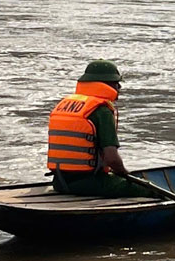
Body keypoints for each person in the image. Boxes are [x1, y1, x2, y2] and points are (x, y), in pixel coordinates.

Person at [46, 59, 153, 198]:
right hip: (89, 182)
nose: (119, 87)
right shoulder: (101, 111)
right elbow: (111, 158)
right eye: (116, 83)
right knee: (148, 189)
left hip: (59, 182)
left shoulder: (64, 104)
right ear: (106, 85)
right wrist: (124, 174)